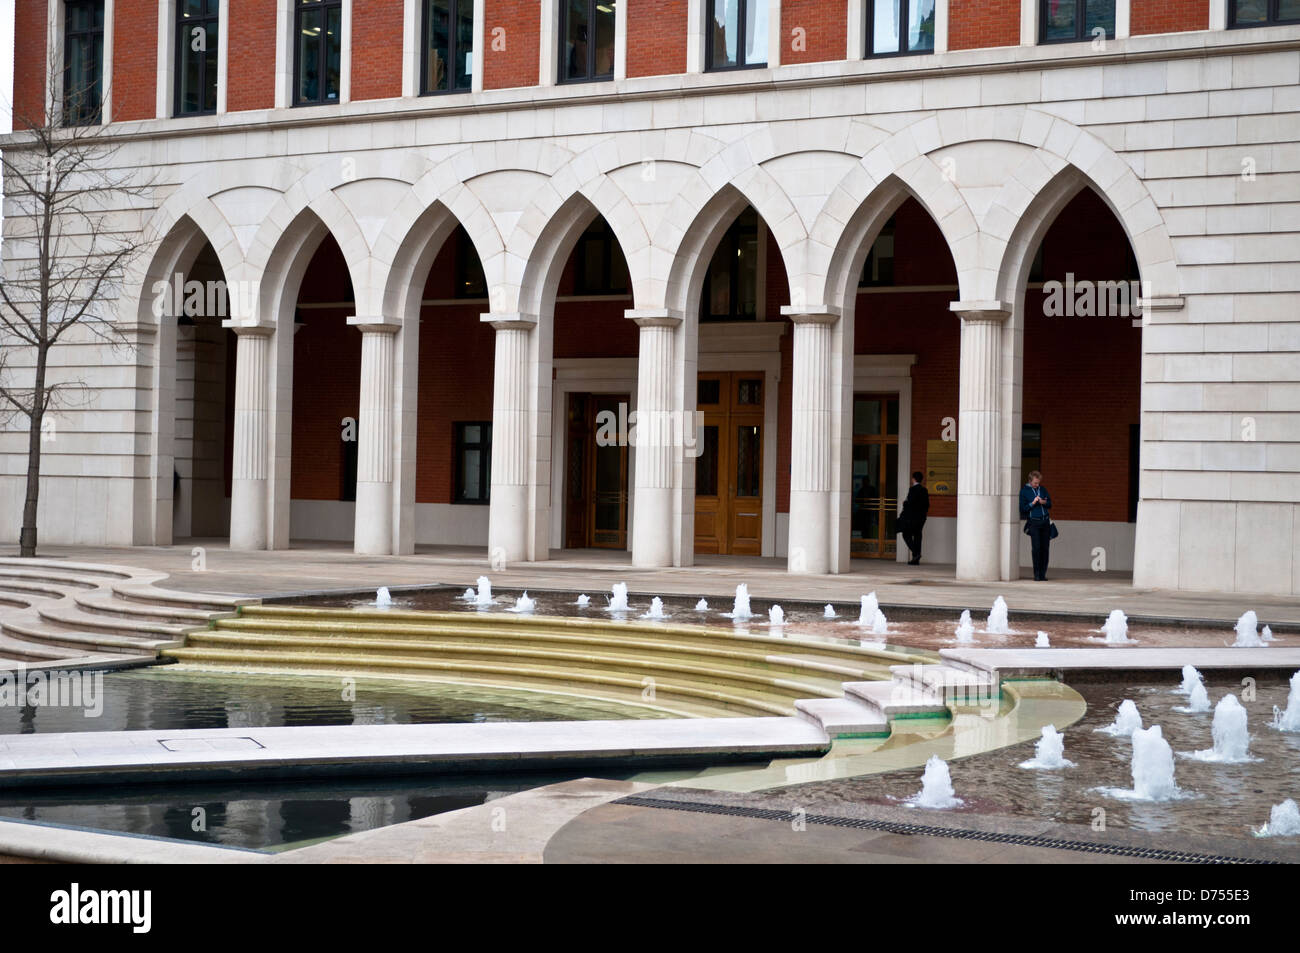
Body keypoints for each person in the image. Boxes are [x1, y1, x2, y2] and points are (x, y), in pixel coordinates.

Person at [1020, 470, 1052, 581]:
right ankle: (1037, 574)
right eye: (1035, 483)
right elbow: (1022, 509)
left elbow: (1050, 503)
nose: (1037, 485)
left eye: (1038, 483)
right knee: (1036, 548)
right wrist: (1033, 503)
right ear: (1030, 481)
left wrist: (1043, 502)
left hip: (1045, 521)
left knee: (1045, 549)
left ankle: (1043, 574)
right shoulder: (1024, 491)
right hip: (1034, 522)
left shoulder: (1042, 490)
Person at [898, 471, 930, 565]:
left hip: (912, 518)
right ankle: (915, 560)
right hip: (921, 518)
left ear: (914, 479)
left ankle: (916, 553)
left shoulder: (912, 489)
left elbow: (909, 503)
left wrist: (904, 503)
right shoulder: (924, 490)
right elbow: (927, 505)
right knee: (918, 536)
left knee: (906, 534)